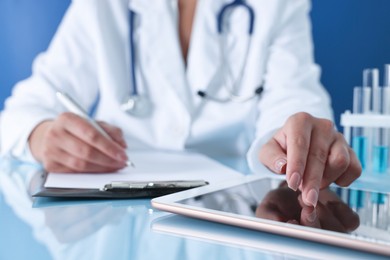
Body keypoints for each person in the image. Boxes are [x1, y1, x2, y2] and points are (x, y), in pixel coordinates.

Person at [0, 0, 361, 207]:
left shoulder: (277, 5)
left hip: (231, 210)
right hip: (114, 210)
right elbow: (22, 109)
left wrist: (292, 139)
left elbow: (293, 95)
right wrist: (40, 134)